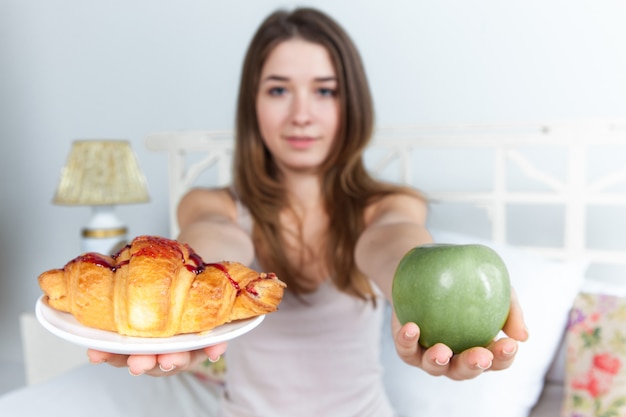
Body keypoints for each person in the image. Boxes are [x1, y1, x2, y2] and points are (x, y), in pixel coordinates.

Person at [1, 7, 527, 417]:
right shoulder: (210, 204)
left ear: (352, 104)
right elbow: (213, 246)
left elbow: (395, 246)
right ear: (253, 103)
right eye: (279, 90)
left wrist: (433, 297)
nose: (302, 114)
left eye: (325, 91)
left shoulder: (386, 206)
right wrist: (184, 305)